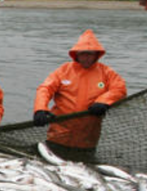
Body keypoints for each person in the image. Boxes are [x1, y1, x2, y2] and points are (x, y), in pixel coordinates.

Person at [32, 29, 127, 157]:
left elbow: (119, 89)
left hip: (87, 138)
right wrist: (40, 109)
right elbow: (45, 89)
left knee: (85, 164)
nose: (86, 58)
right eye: (83, 54)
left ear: (96, 55)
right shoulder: (64, 70)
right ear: (76, 54)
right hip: (59, 136)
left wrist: (103, 101)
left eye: (90, 54)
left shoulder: (106, 72)